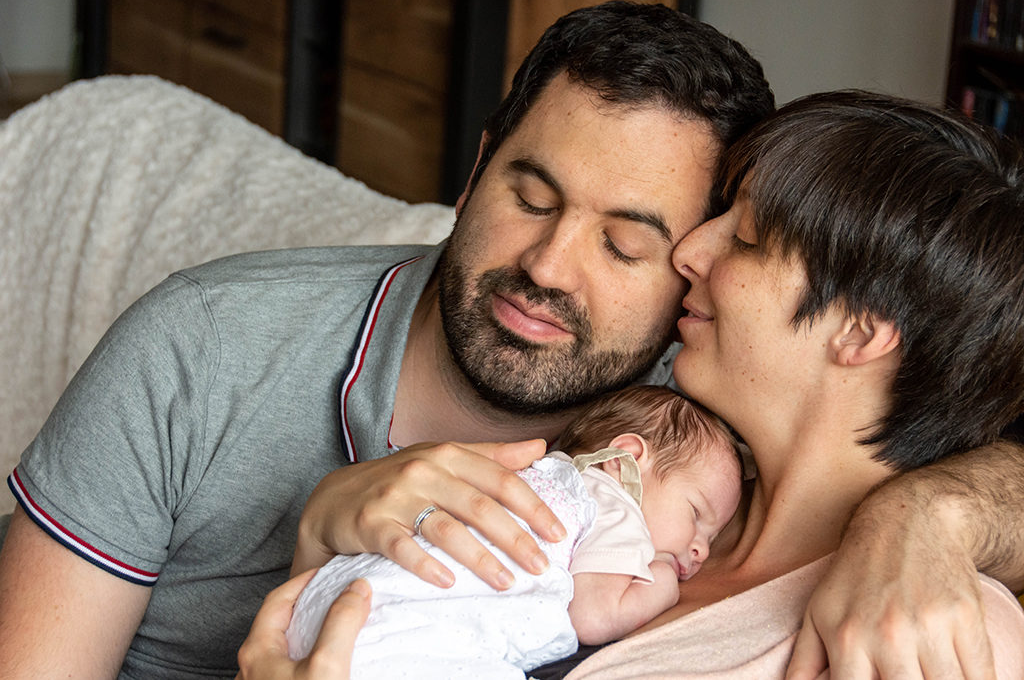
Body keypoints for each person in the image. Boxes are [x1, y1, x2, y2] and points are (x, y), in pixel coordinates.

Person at [0, 2, 1020, 678]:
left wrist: (929, 518)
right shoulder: (206, 345)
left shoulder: (721, 447)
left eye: (632, 244)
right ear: (478, 166)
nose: (548, 265)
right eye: (529, 196)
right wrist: (319, 532)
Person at [241, 90, 1024, 679]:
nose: (689, 251)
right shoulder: (660, 458)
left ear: (861, 329)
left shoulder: (932, 631)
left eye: (745, 238)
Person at [285, 386, 742, 678]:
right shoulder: (612, 500)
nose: (700, 548)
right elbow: (596, 615)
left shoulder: (537, 474)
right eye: (696, 513)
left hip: (323, 609)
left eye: (711, 537)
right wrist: (660, 577)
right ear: (624, 459)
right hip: (398, 638)